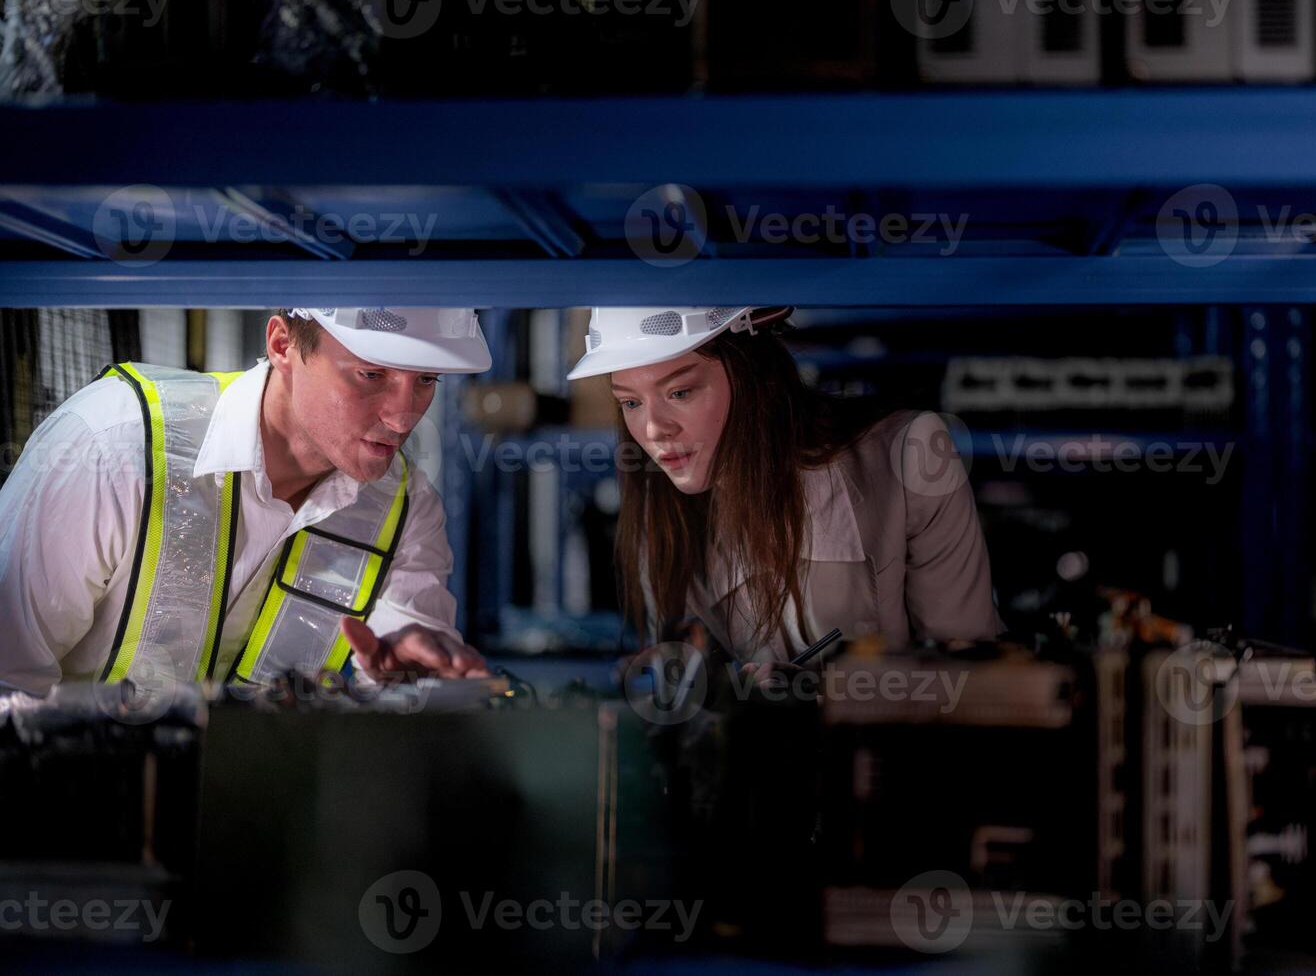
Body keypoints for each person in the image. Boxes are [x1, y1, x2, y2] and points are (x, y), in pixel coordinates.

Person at [0, 307, 492, 697]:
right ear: (282, 345)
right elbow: (7, 679)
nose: (404, 416)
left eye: (426, 379)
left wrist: (413, 681)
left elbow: (407, 681)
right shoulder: (115, 447)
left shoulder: (405, 509)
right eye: (371, 374)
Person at [566, 306, 1001, 674]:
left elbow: (968, 671)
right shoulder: (662, 511)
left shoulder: (908, 456)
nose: (653, 429)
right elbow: (688, 690)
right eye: (630, 402)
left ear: (751, 375)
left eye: (679, 392)